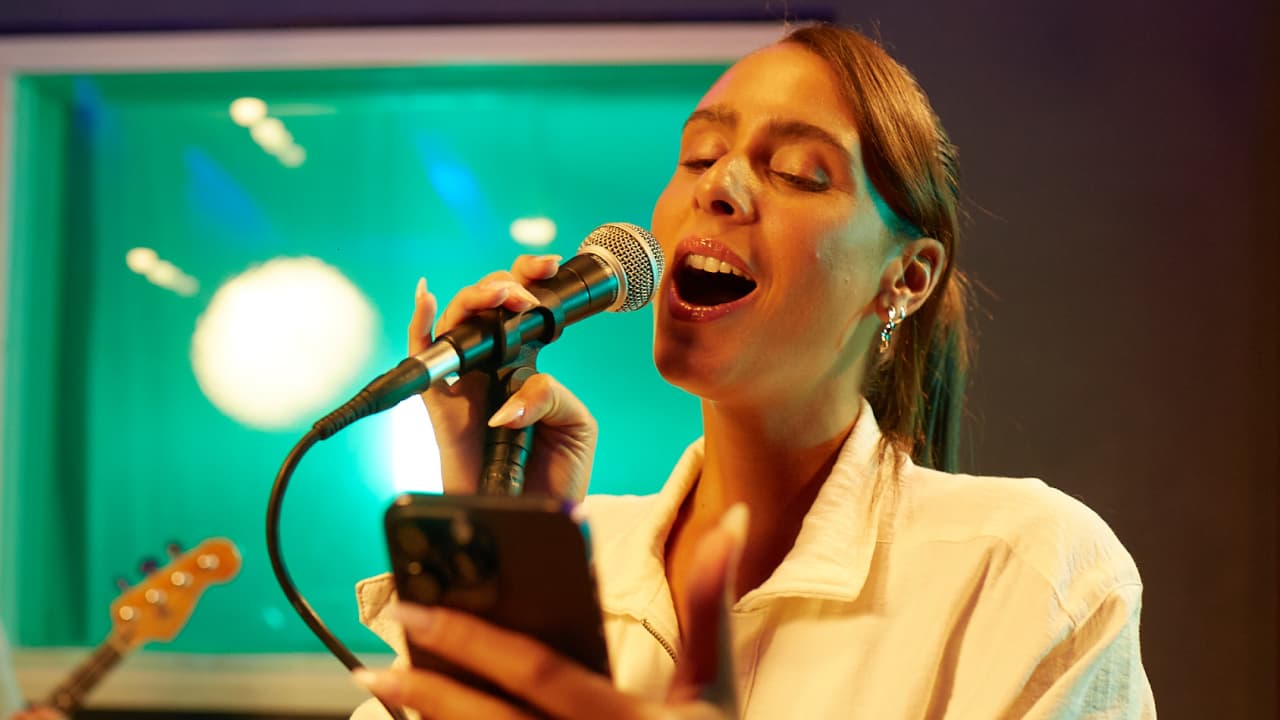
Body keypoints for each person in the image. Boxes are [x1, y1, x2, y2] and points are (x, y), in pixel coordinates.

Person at [350, 22, 1156, 719]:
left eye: (800, 172)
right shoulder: (580, 557)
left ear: (905, 278)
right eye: (699, 155)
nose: (721, 185)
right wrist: (494, 546)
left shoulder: (1023, 572)